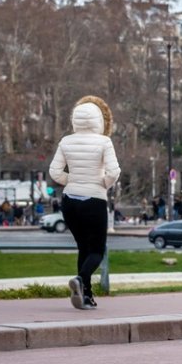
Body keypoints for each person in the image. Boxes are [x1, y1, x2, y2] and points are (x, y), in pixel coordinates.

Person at [48, 96, 121, 311]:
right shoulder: (104, 142)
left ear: (75, 120)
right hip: (94, 200)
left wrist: (73, 181)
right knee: (97, 250)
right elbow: (114, 172)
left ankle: (85, 296)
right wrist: (101, 184)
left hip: (70, 201)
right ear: (98, 120)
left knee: (83, 247)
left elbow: (55, 172)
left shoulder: (66, 142)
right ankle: (81, 280)